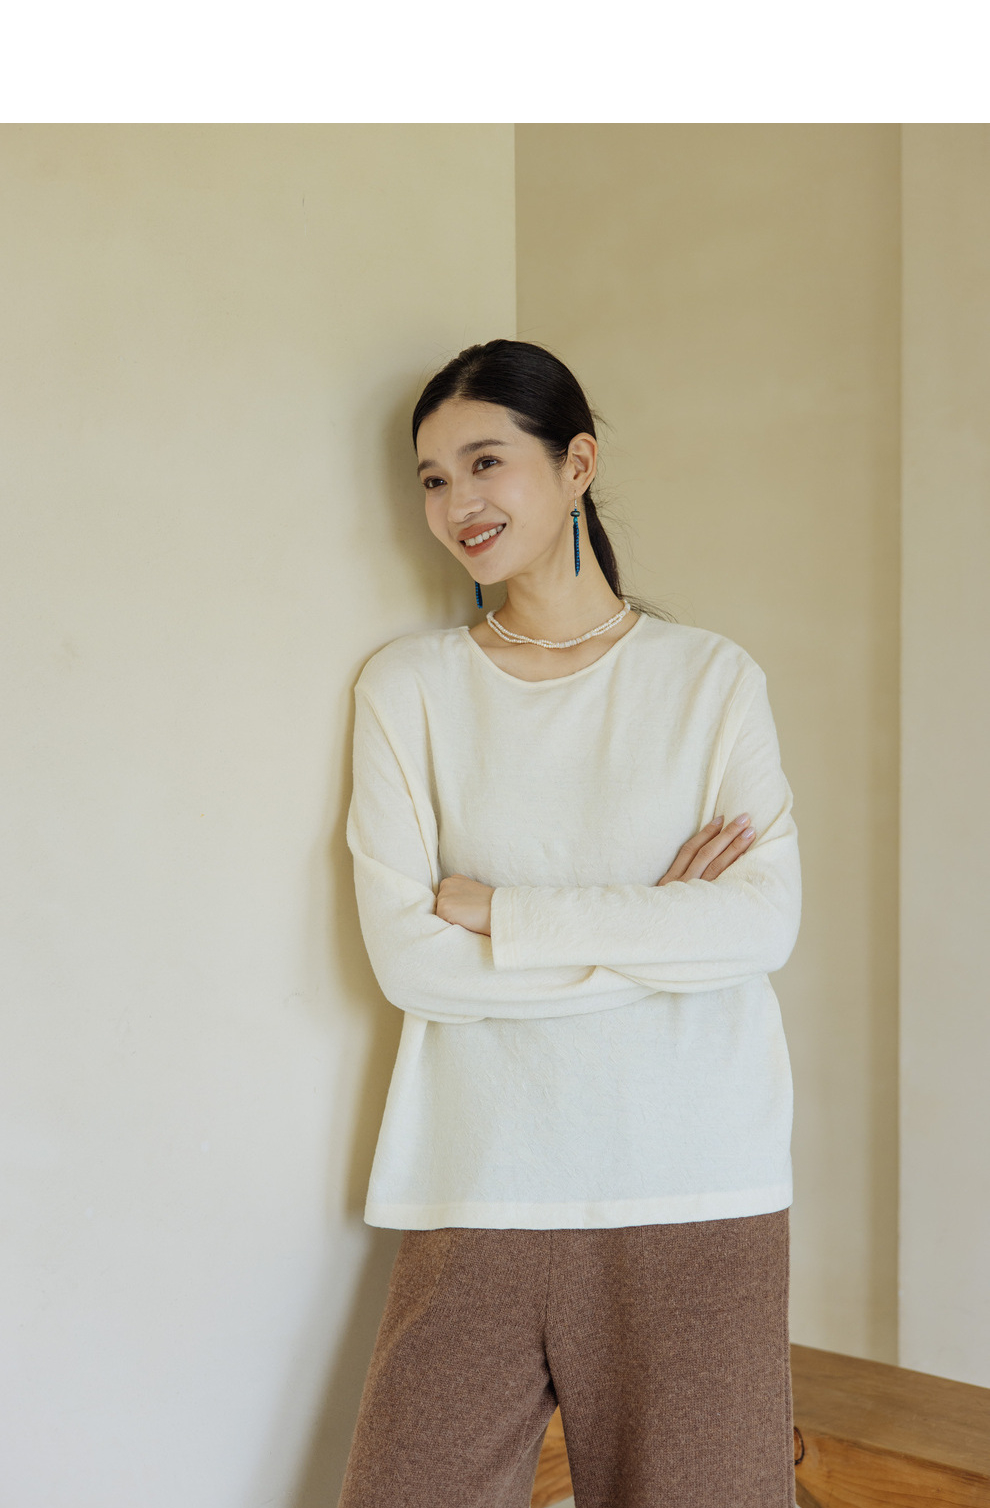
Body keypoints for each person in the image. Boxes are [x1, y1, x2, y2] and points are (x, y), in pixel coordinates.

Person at [339, 338, 801, 1508]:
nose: (457, 501)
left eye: (485, 460)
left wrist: (507, 915)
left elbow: (760, 926)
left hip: (695, 1186)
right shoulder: (408, 690)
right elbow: (414, 965)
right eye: (432, 477)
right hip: (477, 1184)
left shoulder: (711, 681)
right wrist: (664, 935)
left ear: (577, 463)